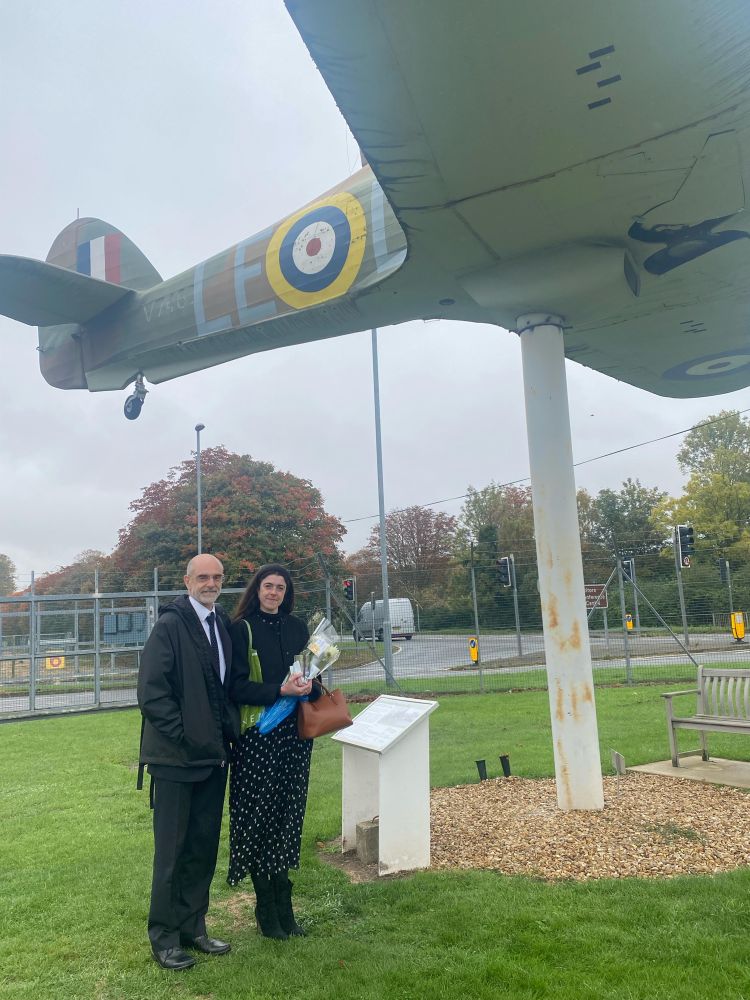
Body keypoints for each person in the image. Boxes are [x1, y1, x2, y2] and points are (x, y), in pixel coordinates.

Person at [137, 553, 236, 971]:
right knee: (172, 854)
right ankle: (164, 937)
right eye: (203, 577)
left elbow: (224, 688)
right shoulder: (170, 626)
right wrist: (185, 735)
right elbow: (152, 692)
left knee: (201, 847)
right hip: (176, 761)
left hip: (212, 759)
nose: (210, 584)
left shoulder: (221, 624)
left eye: (217, 577)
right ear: (187, 580)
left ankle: (193, 927)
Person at [227, 563, 319, 940]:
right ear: (257, 589)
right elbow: (234, 686)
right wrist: (279, 691)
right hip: (257, 739)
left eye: (280, 587)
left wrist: (307, 687)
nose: (273, 593)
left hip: (294, 738)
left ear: (286, 593)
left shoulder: (297, 628)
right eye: (268, 586)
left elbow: (314, 680)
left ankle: (285, 907)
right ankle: (266, 907)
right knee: (258, 819)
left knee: (286, 817)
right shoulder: (241, 629)